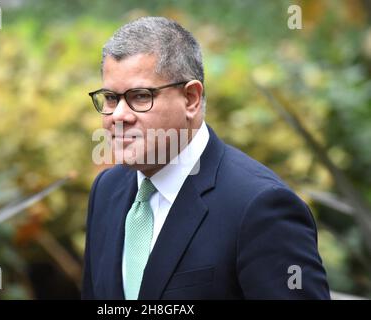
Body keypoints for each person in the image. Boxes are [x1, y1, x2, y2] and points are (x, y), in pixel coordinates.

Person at [82, 16, 330, 299]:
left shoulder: (259, 206)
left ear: (191, 99)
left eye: (140, 96)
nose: (118, 116)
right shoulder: (106, 190)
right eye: (111, 98)